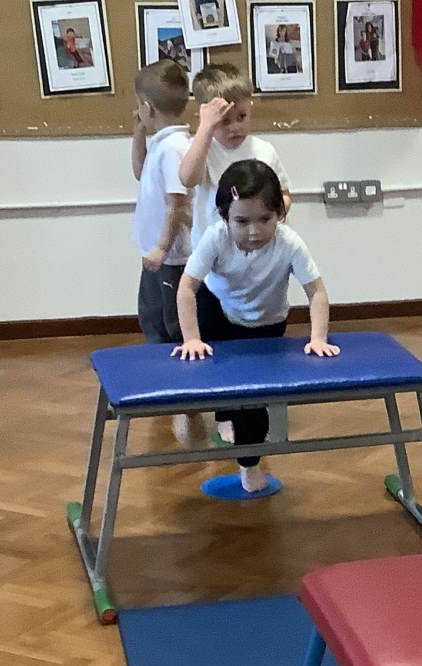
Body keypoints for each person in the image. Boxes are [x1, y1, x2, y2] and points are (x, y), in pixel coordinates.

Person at [174, 160, 337, 494]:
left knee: (252, 404)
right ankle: (208, 410)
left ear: (280, 213)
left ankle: (249, 465)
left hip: (265, 323)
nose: (254, 231)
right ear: (224, 217)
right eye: (242, 221)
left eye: (265, 219)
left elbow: (316, 292)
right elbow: (186, 288)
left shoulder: (289, 243)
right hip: (217, 312)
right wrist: (191, 339)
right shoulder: (216, 237)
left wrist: (318, 337)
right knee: (217, 377)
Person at [179, 64, 290, 444]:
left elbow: (283, 193)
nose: (234, 128)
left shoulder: (263, 151)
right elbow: (187, 178)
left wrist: (276, 215)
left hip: (258, 263)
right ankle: (226, 412)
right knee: (220, 343)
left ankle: (257, 407)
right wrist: (205, 129)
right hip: (215, 266)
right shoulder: (204, 148)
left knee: (257, 342)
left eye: (241, 117)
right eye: (224, 121)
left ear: (251, 108)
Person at [129, 60, 196, 440]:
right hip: (158, 258)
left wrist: (160, 247)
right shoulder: (161, 143)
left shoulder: (174, 148)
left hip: (172, 259)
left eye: (139, 107)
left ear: (148, 107)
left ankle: (182, 389)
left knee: (171, 325)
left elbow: (177, 203)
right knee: (151, 318)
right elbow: (139, 171)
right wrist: (137, 133)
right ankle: (164, 384)